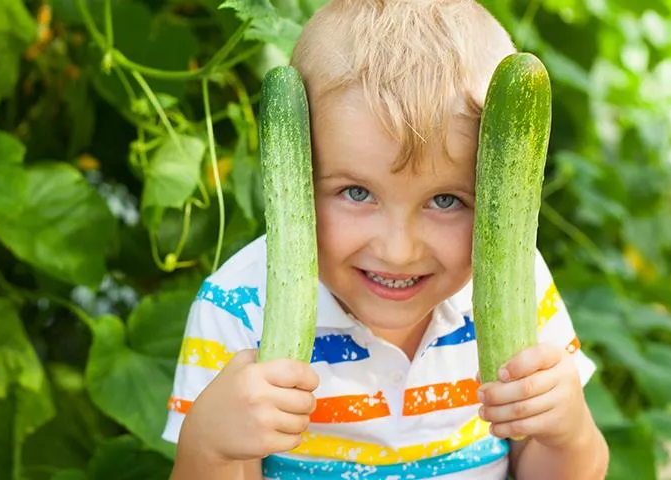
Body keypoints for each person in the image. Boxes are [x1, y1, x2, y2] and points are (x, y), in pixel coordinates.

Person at [162, 0, 610, 478]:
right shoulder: (238, 310)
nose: (399, 251)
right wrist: (208, 447)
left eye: (445, 201)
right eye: (356, 193)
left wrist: (568, 431)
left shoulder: (523, 288)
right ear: (295, 176)